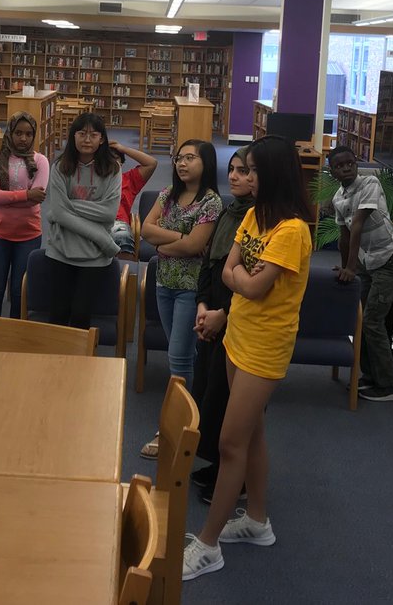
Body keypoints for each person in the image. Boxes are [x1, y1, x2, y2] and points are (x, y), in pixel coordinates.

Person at [183, 135, 313, 581]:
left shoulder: (292, 230)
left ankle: (208, 544)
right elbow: (227, 270)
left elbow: (253, 285)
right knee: (253, 434)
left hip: (264, 347)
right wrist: (241, 280)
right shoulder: (256, 215)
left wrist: (241, 278)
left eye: (253, 170)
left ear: (272, 174)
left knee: (229, 443)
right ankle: (257, 522)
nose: (244, 177)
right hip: (237, 333)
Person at [139, 139, 222, 458]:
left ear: (206, 164)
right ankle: (193, 421)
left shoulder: (211, 202)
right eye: (178, 158)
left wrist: (166, 246)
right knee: (184, 355)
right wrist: (182, 240)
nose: (182, 163)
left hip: (192, 286)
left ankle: (172, 430)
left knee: (178, 357)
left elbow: (194, 248)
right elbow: (146, 230)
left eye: (191, 158)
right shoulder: (167, 195)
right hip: (164, 282)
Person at [191, 147, 255, 503]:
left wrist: (222, 315)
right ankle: (217, 465)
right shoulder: (228, 212)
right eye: (231, 170)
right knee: (207, 392)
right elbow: (208, 264)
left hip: (236, 319)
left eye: (244, 171)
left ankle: (237, 480)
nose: (234, 176)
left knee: (227, 398)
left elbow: (250, 282)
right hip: (212, 309)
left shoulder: (260, 218)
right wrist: (202, 304)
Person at [327, 145, 393, 403]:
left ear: (356, 163)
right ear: (333, 172)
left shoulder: (370, 183)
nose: (346, 168)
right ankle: (371, 376)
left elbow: (358, 225)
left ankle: (391, 384)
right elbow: (344, 236)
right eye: (340, 166)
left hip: (389, 257)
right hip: (367, 261)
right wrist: (345, 267)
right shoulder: (339, 198)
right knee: (360, 320)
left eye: (350, 163)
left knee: (373, 320)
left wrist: (352, 269)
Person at [44, 111, 122, 329]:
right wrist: (102, 236)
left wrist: (69, 206)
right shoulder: (60, 167)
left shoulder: (113, 169)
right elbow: (58, 214)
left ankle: (81, 363)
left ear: (102, 139)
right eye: (81, 133)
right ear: (73, 136)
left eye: (93, 135)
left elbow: (108, 213)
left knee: (81, 315)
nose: (87, 140)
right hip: (60, 250)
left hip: (95, 255)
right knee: (58, 314)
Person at [0, 111, 49, 319]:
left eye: (28, 134)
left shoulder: (41, 161)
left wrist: (8, 197)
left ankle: (13, 338)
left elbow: (37, 198)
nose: (23, 138)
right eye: (18, 133)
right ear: (10, 133)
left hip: (28, 235)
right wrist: (26, 194)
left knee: (19, 291)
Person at [109, 139, 158, 256]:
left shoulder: (128, 180)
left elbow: (151, 163)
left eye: (115, 158)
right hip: (95, 222)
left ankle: (123, 271)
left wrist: (123, 148)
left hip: (117, 224)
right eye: (106, 159)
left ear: (121, 163)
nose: (111, 162)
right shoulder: (89, 180)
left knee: (122, 237)